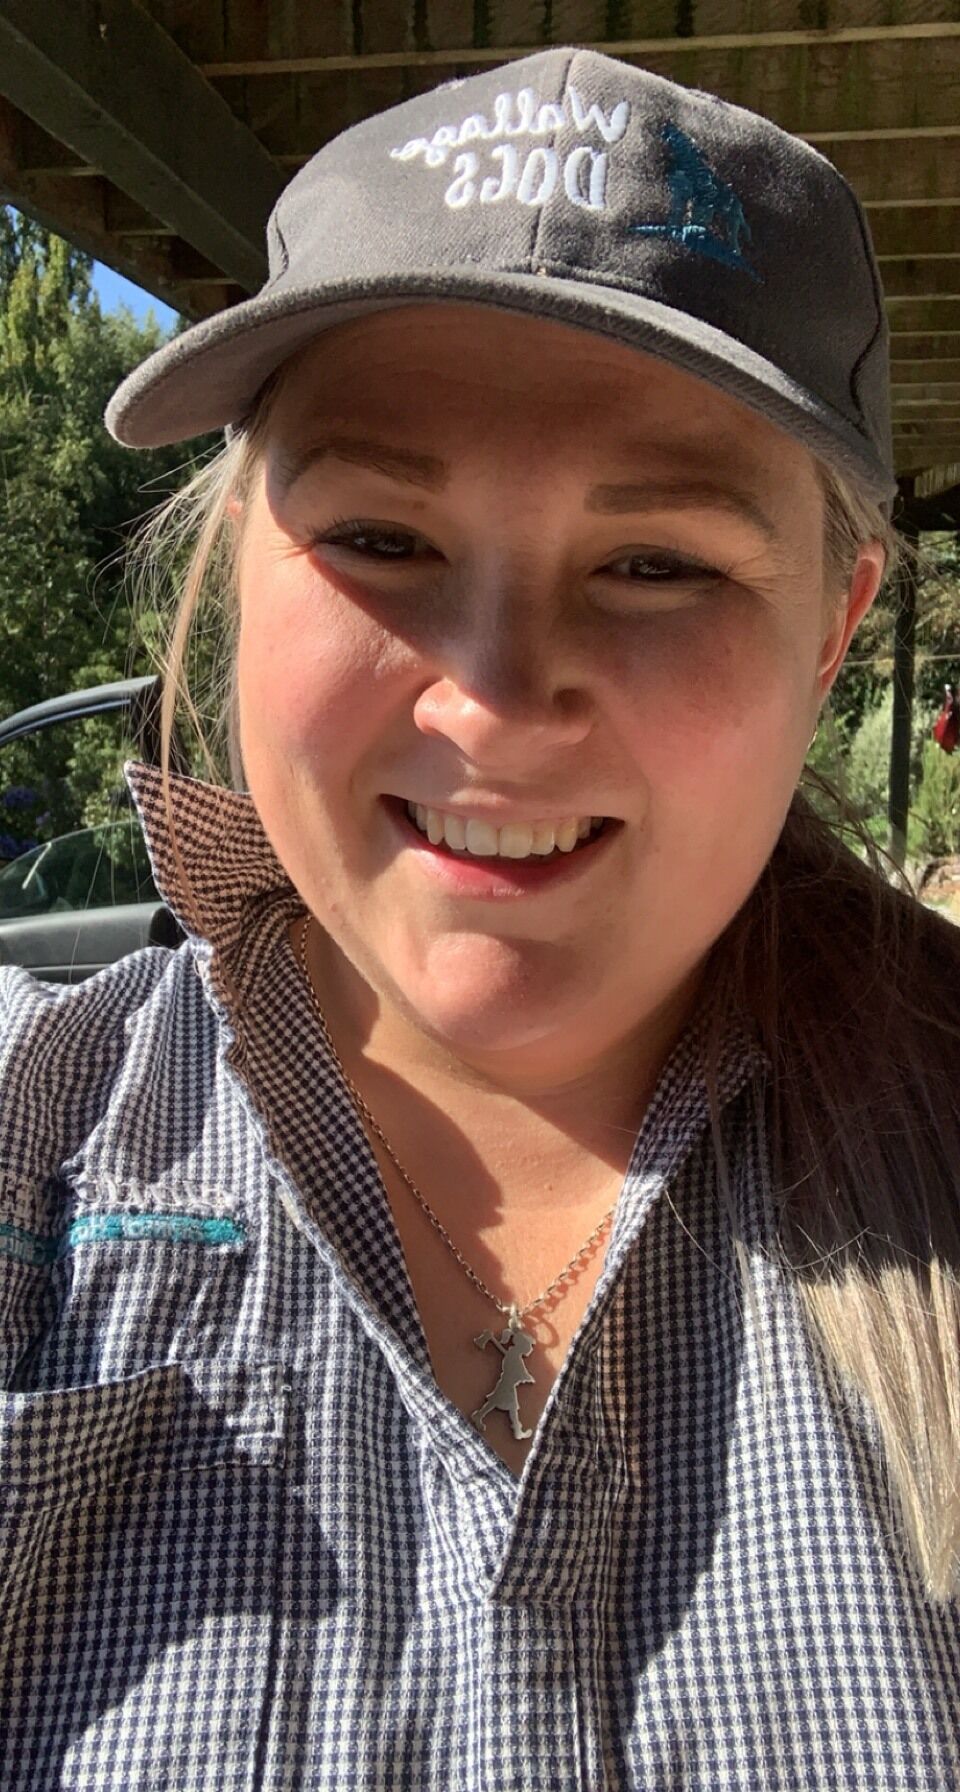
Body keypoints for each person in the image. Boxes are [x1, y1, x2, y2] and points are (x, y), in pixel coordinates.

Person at [2, 45, 959, 1791]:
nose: (497, 700)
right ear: (237, 569)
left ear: (834, 630)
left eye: (657, 563)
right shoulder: (32, 1138)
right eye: (381, 536)